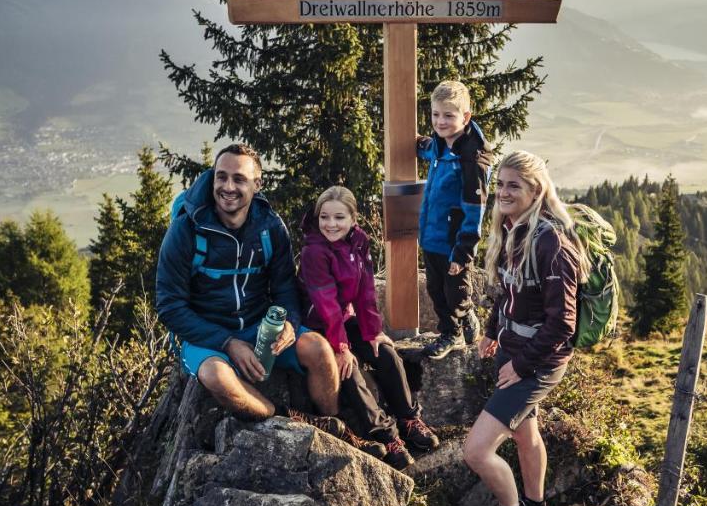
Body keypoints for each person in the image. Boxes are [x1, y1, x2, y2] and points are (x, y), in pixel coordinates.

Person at [155, 144, 380, 455]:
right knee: (215, 377)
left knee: (319, 350)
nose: (228, 187)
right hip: (206, 334)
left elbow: (286, 287)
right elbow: (169, 305)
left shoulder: (269, 227)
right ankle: (288, 417)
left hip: (261, 326)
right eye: (221, 177)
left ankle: (334, 430)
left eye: (239, 179)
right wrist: (227, 342)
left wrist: (290, 322)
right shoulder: (187, 229)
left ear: (256, 184)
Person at [463, 150, 590, 506]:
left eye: (513, 185)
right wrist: (489, 332)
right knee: (524, 433)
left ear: (536, 190)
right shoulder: (512, 230)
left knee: (476, 451)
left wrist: (521, 366)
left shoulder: (552, 242)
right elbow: (508, 292)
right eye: (499, 184)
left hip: (538, 362)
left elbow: (562, 325)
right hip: (514, 351)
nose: (502, 192)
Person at [299, 186, 442, 470]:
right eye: (324, 217)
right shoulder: (313, 252)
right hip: (318, 325)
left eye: (339, 217)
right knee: (348, 370)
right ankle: (385, 435)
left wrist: (372, 331)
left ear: (353, 219)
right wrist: (342, 348)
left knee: (386, 352)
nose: (330, 224)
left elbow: (365, 292)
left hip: (344, 317)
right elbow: (325, 304)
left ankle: (408, 418)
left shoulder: (359, 242)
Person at [416, 80, 491, 358]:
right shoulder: (440, 145)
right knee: (436, 289)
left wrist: (462, 252)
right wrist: (418, 143)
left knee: (455, 291)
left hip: (454, 242)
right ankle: (465, 319)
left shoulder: (472, 160)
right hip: (432, 237)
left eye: (449, 115)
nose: (440, 121)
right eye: (436, 115)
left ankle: (452, 333)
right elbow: (430, 149)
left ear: (466, 117)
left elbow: (475, 210)